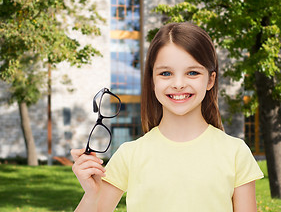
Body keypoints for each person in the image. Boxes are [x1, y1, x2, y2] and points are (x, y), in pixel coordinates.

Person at [71, 22, 264, 212]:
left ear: (210, 80)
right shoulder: (129, 155)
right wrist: (92, 194)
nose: (178, 84)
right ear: (152, 80)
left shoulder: (236, 153)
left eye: (192, 73)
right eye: (166, 73)